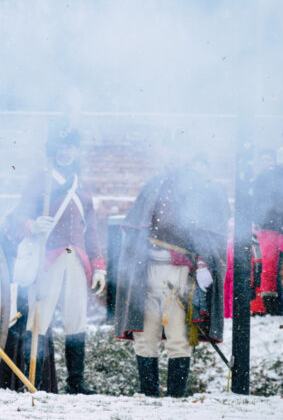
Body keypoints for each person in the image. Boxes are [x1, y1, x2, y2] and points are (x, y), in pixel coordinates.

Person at [4, 119, 106, 394]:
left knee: (76, 319)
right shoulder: (41, 182)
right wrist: (32, 225)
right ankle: (32, 381)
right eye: (61, 147)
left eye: (71, 147)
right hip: (47, 258)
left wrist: (98, 266)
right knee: (40, 318)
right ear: (54, 150)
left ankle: (76, 383)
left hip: (76, 258)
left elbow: (92, 231)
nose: (66, 152)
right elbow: (17, 219)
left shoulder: (81, 188)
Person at [115, 155, 229, 398]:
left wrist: (204, 264)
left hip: (180, 275)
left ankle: (176, 398)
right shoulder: (154, 186)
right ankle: (149, 396)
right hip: (146, 272)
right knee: (145, 336)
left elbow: (210, 237)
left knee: (180, 337)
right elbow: (136, 231)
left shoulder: (201, 192)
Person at [252, 146, 283, 315]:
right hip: (272, 226)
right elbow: (262, 202)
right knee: (271, 267)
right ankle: (275, 307)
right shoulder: (266, 178)